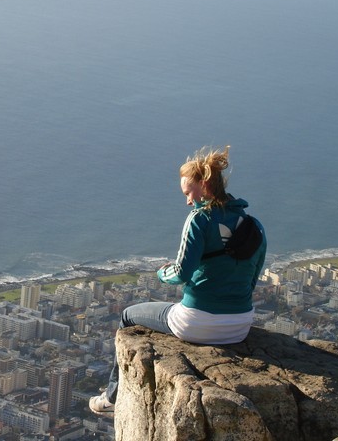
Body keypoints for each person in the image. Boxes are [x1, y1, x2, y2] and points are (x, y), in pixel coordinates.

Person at [89, 145, 267, 415]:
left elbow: (182, 272)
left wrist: (162, 272)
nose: (187, 201)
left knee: (127, 316)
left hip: (197, 322)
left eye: (188, 192)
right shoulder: (254, 225)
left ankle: (112, 398)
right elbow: (253, 279)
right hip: (240, 325)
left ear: (204, 185)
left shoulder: (200, 219)